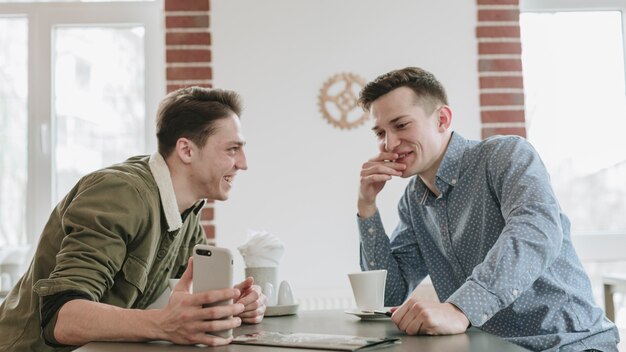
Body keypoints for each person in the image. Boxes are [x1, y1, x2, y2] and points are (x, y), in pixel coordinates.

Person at [356, 67, 620, 351]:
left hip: (569, 344)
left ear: (442, 119)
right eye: (380, 132)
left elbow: (536, 233)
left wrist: (460, 309)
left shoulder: (505, 156)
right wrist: (367, 206)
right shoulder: (413, 200)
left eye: (401, 125)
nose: (389, 143)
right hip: (491, 346)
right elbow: (388, 294)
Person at [0, 87, 266, 351]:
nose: (243, 164)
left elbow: (183, 303)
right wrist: (164, 324)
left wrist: (230, 306)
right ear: (186, 150)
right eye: (232, 149)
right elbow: (62, 318)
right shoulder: (119, 193)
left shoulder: (188, 214)